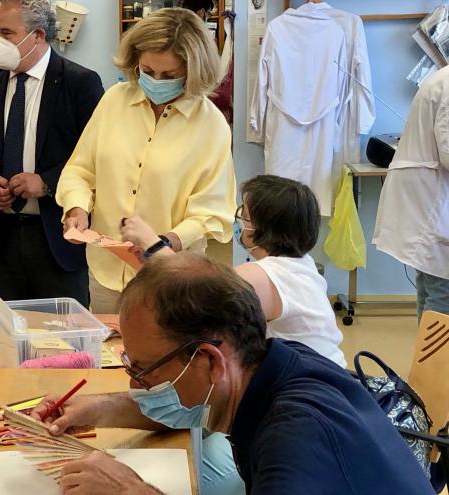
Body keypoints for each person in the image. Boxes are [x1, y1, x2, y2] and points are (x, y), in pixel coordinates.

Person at [30, 254, 433, 494]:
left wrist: (132, 491)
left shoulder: (293, 444)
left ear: (209, 360)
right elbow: (188, 399)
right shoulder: (273, 363)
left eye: (145, 370)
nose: (135, 384)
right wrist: (98, 409)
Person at [56, 8, 235, 314]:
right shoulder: (115, 101)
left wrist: (161, 243)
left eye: (169, 76)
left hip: (170, 278)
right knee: (108, 356)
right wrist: (77, 207)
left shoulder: (211, 125)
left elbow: (212, 213)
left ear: (192, 73)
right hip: (107, 271)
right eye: (147, 71)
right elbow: (81, 170)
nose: (155, 82)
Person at [0, 0, 104, 305]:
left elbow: (98, 157)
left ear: (37, 34)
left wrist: (46, 182)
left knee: (63, 340)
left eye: (6, 34)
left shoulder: (80, 83)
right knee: (8, 337)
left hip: (57, 237)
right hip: (2, 238)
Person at [121, 175, 346, 368]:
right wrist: (156, 260)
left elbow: (195, 289)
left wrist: (152, 242)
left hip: (313, 387)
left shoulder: (270, 275)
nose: (238, 220)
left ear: (264, 228)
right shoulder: (299, 265)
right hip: (321, 375)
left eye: (244, 215)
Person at [374, 66, 449, 321]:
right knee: (442, 291)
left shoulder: (442, 78)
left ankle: (425, 359)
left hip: (428, 199)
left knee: (432, 287)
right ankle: (433, 361)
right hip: (431, 201)